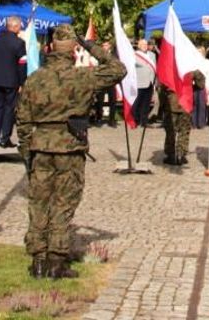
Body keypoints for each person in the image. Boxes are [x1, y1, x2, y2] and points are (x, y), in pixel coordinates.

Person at [16, 24, 126, 279]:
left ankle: (38, 259)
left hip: (40, 146)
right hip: (69, 147)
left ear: (51, 48)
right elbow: (117, 69)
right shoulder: (82, 76)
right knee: (64, 203)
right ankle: (56, 259)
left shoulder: (35, 79)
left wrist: (26, 152)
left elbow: (22, 119)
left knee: (39, 202)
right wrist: (90, 45)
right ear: (73, 51)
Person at [0, 15, 27, 147]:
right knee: (9, 109)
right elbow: (22, 64)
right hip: (12, 81)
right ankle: (5, 138)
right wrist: (22, 82)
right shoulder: (19, 43)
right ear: (16, 27)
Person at [159, 73, 197, 166]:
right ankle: (181, 155)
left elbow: (162, 87)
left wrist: (163, 104)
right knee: (184, 131)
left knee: (171, 130)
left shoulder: (170, 67)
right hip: (186, 102)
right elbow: (201, 82)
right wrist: (192, 88)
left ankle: (171, 155)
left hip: (172, 102)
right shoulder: (190, 67)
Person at [132, 38, 157, 127]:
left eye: (146, 45)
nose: (145, 46)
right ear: (139, 46)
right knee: (137, 102)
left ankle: (144, 121)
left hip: (149, 82)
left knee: (146, 104)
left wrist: (154, 81)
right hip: (139, 82)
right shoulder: (134, 55)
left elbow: (154, 68)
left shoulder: (152, 55)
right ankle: (135, 120)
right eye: (142, 45)